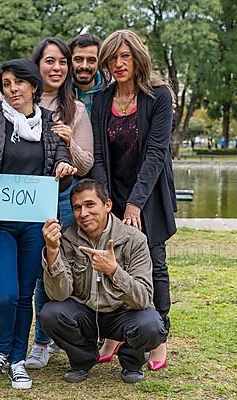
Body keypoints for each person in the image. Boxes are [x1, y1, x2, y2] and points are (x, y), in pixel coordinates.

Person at [0, 59, 76, 390]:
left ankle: (17, 360)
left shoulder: (51, 123)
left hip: (35, 225)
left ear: (34, 86)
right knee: (6, 294)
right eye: (6, 83)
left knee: (25, 294)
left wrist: (64, 169)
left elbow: (60, 163)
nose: (12, 89)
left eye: (19, 83)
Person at [90, 29, 176, 371]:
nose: (119, 63)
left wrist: (135, 204)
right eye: (112, 58)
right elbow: (98, 154)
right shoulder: (101, 99)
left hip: (149, 194)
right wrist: (106, 200)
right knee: (115, 265)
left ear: (138, 57)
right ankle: (116, 333)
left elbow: (156, 153)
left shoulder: (159, 96)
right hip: (114, 191)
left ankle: (160, 336)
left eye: (125, 56)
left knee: (154, 264)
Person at [39, 179, 167, 383]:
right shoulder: (66, 238)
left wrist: (114, 271)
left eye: (90, 205)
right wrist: (53, 251)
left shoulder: (134, 239)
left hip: (124, 314)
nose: (83, 213)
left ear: (107, 205)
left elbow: (143, 298)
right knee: (50, 314)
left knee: (151, 325)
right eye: (77, 208)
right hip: (86, 313)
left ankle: (132, 361)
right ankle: (82, 360)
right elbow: (58, 295)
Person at [25, 37, 94, 369]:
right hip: (24, 197)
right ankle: (22, 343)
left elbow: (87, 164)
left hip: (63, 197)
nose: (57, 68)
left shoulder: (76, 109)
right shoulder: (18, 101)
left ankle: (44, 340)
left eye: (62, 62)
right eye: (49, 61)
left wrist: (69, 141)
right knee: (31, 269)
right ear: (37, 64)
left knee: (54, 266)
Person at [68, 33, 104, 116]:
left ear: (99, 63)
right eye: (78, 59)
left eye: (91, 60)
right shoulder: (59, 92)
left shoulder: (110, 93)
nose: (84, 66)